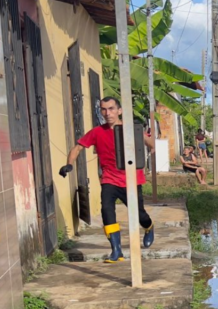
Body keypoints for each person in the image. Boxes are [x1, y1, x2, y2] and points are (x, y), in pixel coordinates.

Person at [59, 97, 155, 263]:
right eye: (104, 109)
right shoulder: (97, 131)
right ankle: (116, 251)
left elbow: (150, 143)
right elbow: (78, 147)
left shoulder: (130, 128)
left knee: (139, 213)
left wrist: (142, 138)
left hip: (132, 179)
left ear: (119, 110)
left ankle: (149, 227)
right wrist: (69, 164)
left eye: (111, 109)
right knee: (107, 211)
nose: (107, 113)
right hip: (109, 178)